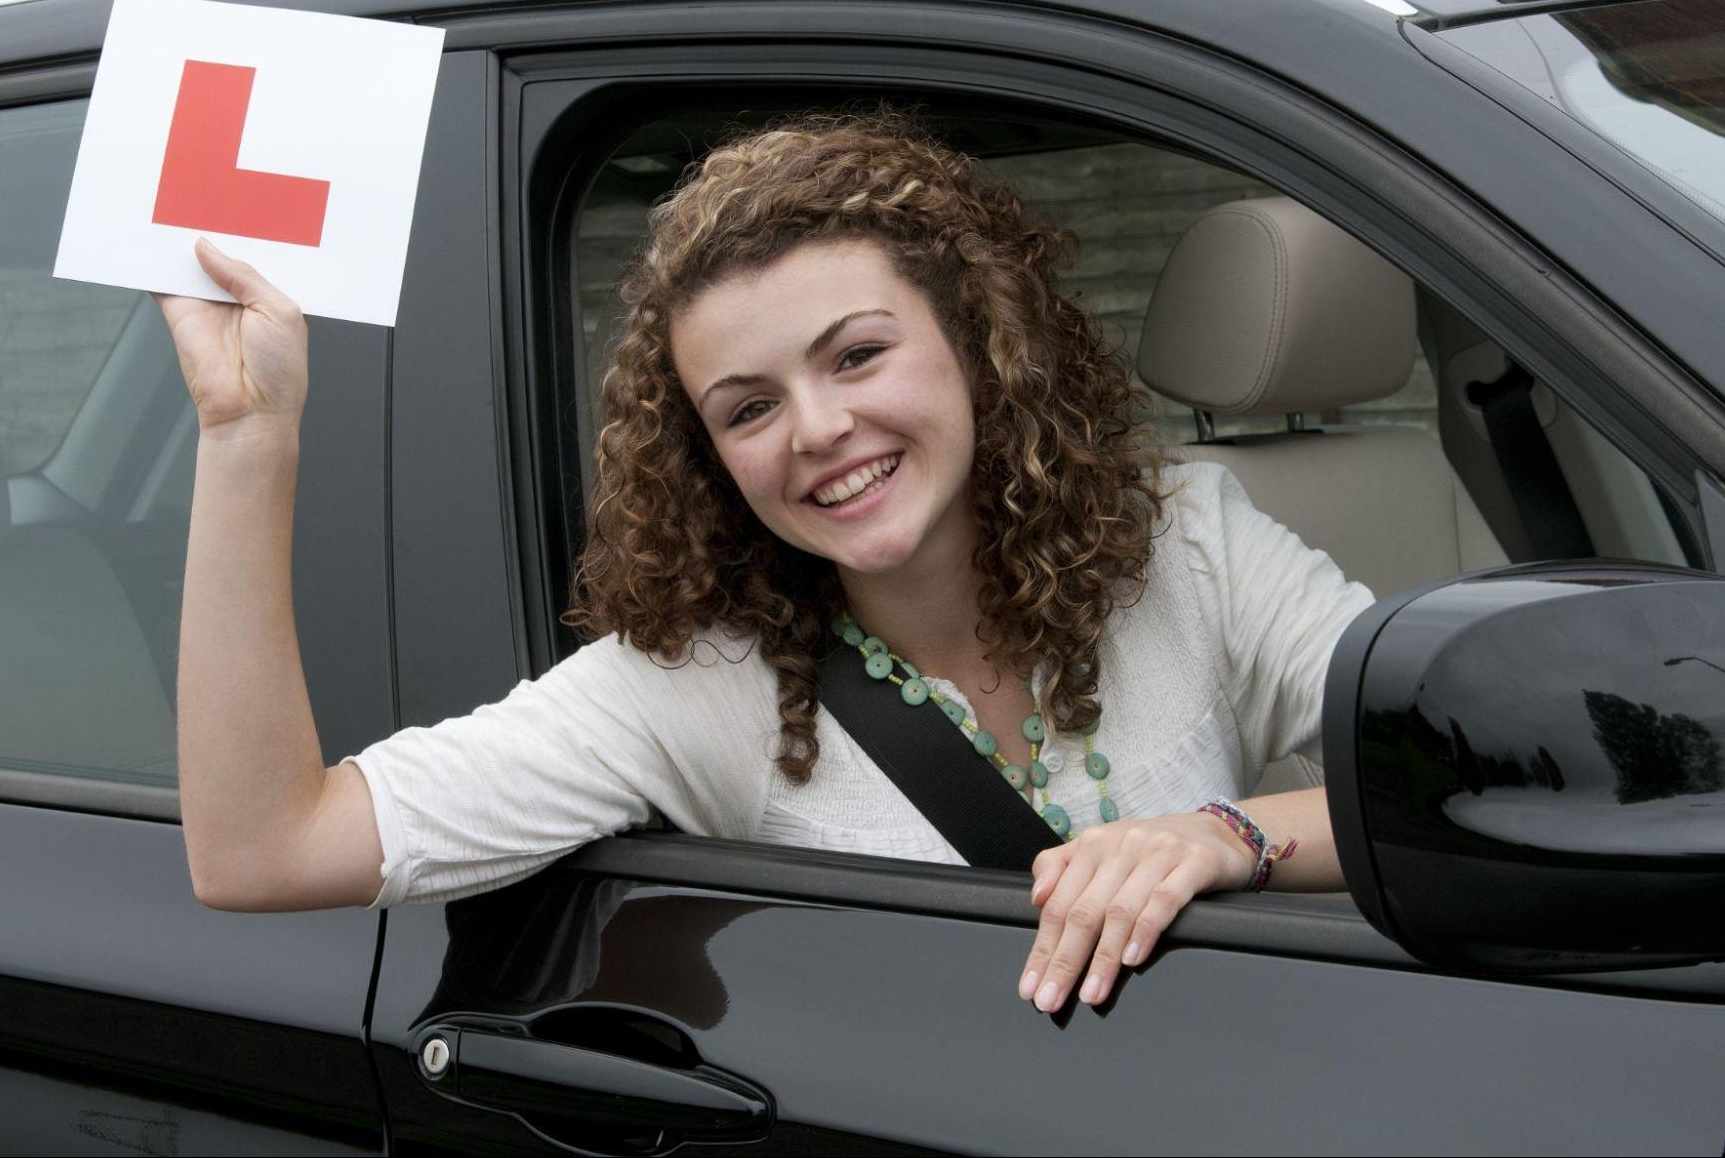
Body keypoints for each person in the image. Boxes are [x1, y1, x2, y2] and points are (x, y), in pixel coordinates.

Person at [159, 108, 1371, 1015]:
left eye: (854, 355)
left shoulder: (1186, 543)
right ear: (707, 457)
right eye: (747, 408)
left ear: (977, 344)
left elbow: (1452, 768)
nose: (817, 430)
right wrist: (246, 436)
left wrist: (1227, 834)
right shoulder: (689, 683)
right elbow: (264, 847)